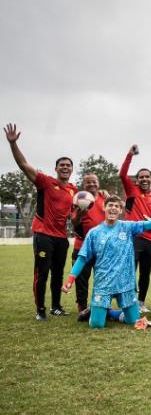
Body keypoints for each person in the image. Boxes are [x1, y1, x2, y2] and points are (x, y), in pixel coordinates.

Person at [5, 123, 78, 320]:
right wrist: (13, 144)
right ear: (56, 169)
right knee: (42, 272)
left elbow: (77, 211)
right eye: (61, 165)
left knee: (57, 274)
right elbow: (23, 164)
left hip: (62, 238)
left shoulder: (74, 190)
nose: (65, 167)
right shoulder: (46, 182)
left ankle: (56, 306)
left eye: (68, 165)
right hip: (43, 234)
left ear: (72, 170)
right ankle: (40, 310)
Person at [61, 194, 151, 328]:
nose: (113, 208)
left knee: (133, 321)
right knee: (97, 325)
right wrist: (69, 281)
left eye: (117, 206)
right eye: (110, 205)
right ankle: (97, 311)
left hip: (125, 283)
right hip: (104, 283)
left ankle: (110, 312)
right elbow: (82, 258)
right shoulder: (94, 233)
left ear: (120, 210)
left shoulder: (128, 227)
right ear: (104, 208)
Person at [118, 144, 151, 313]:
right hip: (133, 238)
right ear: (137, 180)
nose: (144, 179)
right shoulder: (132, 190)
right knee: (130, 271)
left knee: (145, 273)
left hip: (149, 240)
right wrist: (130, 155)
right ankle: (130, 300)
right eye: (141, 177)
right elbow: (122, 174)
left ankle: (141, 302)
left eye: (147, 176)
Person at [70, 174, 106, 321]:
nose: (92, 184)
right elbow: (74, 222)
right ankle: (83, 308)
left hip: (102, 247)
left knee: (102, 278)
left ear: (98, 184)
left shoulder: (105, 198)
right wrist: (79, 215)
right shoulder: (78, 199)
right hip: (82, 246)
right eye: (88, 182)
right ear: (83, 185)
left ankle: (99, 305)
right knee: (81, 279)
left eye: (94, 181)